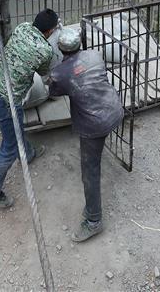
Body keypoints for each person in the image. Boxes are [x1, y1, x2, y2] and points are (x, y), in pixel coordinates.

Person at [49, 27, 124, 242]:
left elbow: (53, 92)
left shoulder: (59, 74)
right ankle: (92, 217)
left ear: (60, 48)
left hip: (94, 125)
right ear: (80, 44)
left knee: (90, 170)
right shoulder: (95, 55)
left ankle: (94, 221)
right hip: (115, 110)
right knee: (95, 158)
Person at [0, 8, 59, 208]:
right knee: (9, 148)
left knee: (17, 128)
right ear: (50, 31)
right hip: (5, 101)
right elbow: (43, 73)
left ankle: (29, 154)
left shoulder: (23, 28)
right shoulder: (45, 50)